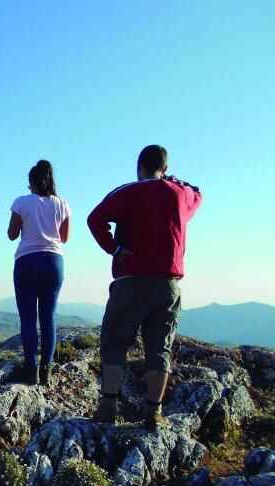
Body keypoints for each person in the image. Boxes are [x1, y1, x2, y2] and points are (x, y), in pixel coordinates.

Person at [87, 145, 202, 428]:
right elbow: (197, 193)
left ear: (139, 167)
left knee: (115, 342)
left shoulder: (128, 192)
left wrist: (113, 248)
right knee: (159, 347)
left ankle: (108, 406)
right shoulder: (181, 194)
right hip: (168, 284)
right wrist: (174, 181)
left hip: (130, 279)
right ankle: (154, 412)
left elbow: (95, 219)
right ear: (165, 168)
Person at [7, 160, 71, 385]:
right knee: (48, 316)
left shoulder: (22, 202)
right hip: (54, 261)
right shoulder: (62, 204)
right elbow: (64, 237)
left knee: (27, 317)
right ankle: (47, 370)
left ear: (32, 182)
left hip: (27, 260)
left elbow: (12, 234)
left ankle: (31, 369)